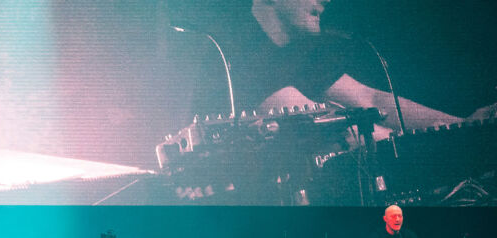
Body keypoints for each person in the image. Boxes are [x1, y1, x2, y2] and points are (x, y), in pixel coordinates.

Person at [185, 0, 495, 137]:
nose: (327, 0)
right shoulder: (232, 47)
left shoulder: (299, 52)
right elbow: (334, 129)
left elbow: (371, 101)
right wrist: (451, 145)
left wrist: (465, 125)